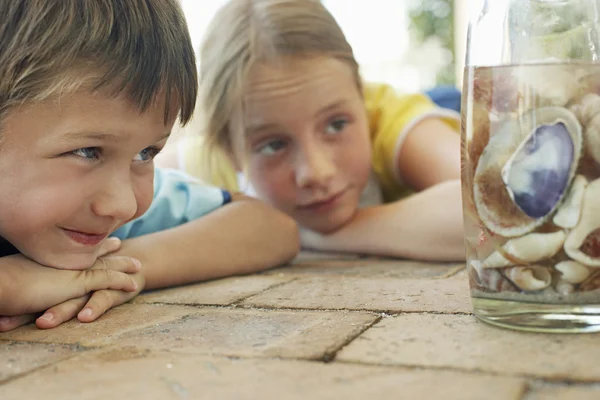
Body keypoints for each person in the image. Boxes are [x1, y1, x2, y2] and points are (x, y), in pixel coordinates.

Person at [0, 0, 299, 332]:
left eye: (145, 153)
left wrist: (119, 269)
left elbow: (272, 229)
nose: (124, 205)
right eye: (87, 151)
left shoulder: (103, 223)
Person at [157, 0, 465, 262]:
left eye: (336, 125)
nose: (316, 172)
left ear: (362, 98)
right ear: (229, 151)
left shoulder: (385, 116)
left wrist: (309, 235)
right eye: (274, 145)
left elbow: (487, 204)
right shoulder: (208, 158)